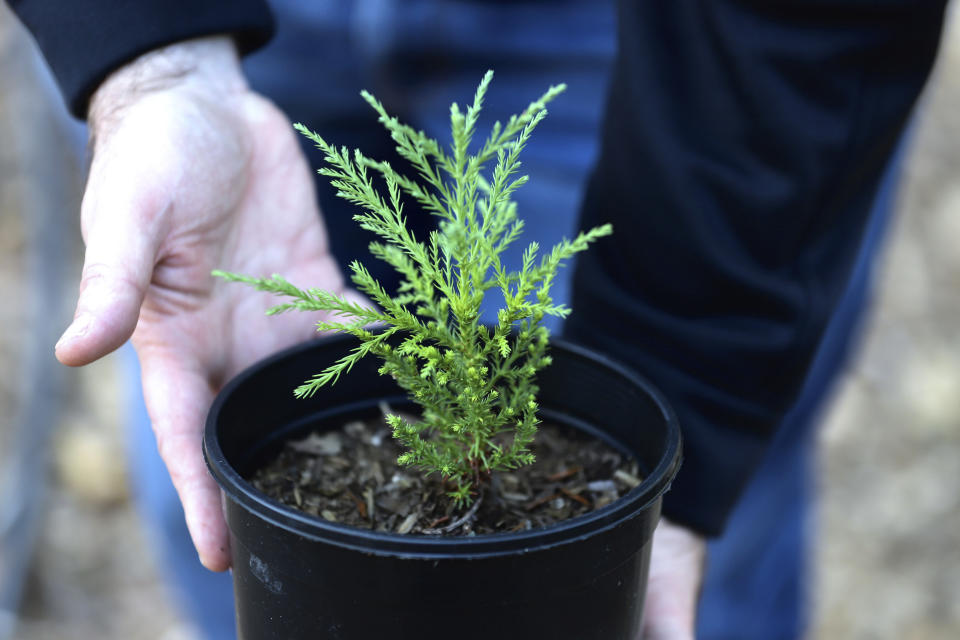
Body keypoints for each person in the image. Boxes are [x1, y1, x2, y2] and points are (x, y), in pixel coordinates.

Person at [8, 0, 949, 638]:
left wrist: (686, 356)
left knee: (692, 542)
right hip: (242, 23)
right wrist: (149, 50)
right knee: (222, 506)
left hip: (665, 42)